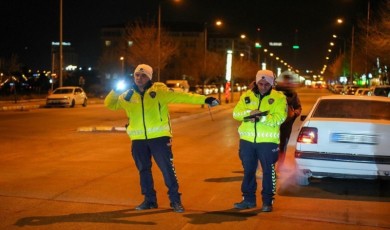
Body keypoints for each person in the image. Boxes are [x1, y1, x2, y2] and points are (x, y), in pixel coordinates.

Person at [104, 64, 219, 213]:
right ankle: (149, 200)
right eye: (137, 75)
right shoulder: (127, 95)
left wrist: (205, 99)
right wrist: (115, 90)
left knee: (167, 170)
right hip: (138, 140)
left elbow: (183, 96)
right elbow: (110, 105)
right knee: (143, 170)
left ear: (149, 77)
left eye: (143, 75)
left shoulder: (159, 91)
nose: (139, 78)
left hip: (159, 138)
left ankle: (175, 201)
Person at [232, 69, 287, 212]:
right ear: (256, 82)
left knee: (268, 171)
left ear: (272, 83)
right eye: (261, 83)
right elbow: (236, 113)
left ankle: (268, 201)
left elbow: (280, 118)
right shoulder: (246, 96)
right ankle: (248, 200)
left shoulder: (279, 98)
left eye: (267, 84)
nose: (263, 87)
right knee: (249, 171)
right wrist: (249, 113)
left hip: (268, 143)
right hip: (247, 141)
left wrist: (261, 117)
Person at [275, 78, 302, 170]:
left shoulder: (293, 94)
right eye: (284, 82)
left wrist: (295, 113)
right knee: (271, 144)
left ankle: (280, 165)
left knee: (283, 144)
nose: (286, 84)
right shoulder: (273, 93)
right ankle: (269, 164)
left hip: (286, 123)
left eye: (288, 83)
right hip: (273, 123)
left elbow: (298, 107)